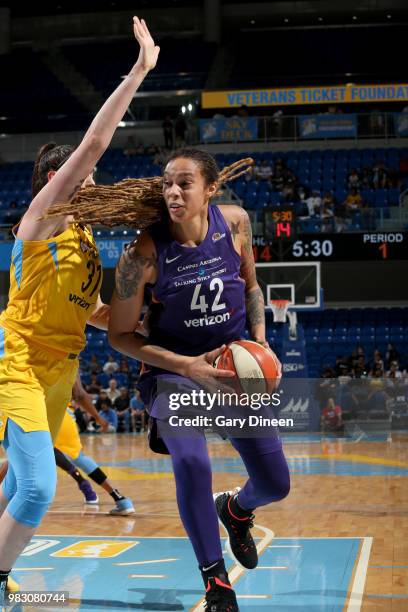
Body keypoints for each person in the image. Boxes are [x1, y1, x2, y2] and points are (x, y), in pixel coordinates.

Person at [0, 17, 159, 606]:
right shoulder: (41, 220)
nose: (96, 183)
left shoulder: (86, 242)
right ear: (55, 181)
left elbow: (91, 309)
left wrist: (142, 324)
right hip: (18, 359)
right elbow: (93, 143)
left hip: (62, 369)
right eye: (85, 179)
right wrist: (139, 70)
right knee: (39, 489)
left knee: (17, 481)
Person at [104, 148, 289, 610]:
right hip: (173, 373)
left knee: (276, 484)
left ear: (210, 189)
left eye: (184, 183)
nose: (172, 191)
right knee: (191, 463)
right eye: (167, 182)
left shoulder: (237, 224)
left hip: (229, 367)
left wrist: (261, 342)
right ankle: (216, 581)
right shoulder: (141, 254)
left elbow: (250, 286)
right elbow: (120, 336)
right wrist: (186, 366)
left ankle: (237, 509)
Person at [54, 404, 134, 513]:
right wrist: (99, 419)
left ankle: (83, 484)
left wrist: (99, 418)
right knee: (77, 457)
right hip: (62, 413)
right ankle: (119, 498)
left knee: (45, 450)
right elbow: (80, 395)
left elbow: (80, 395)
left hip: (39, 413)